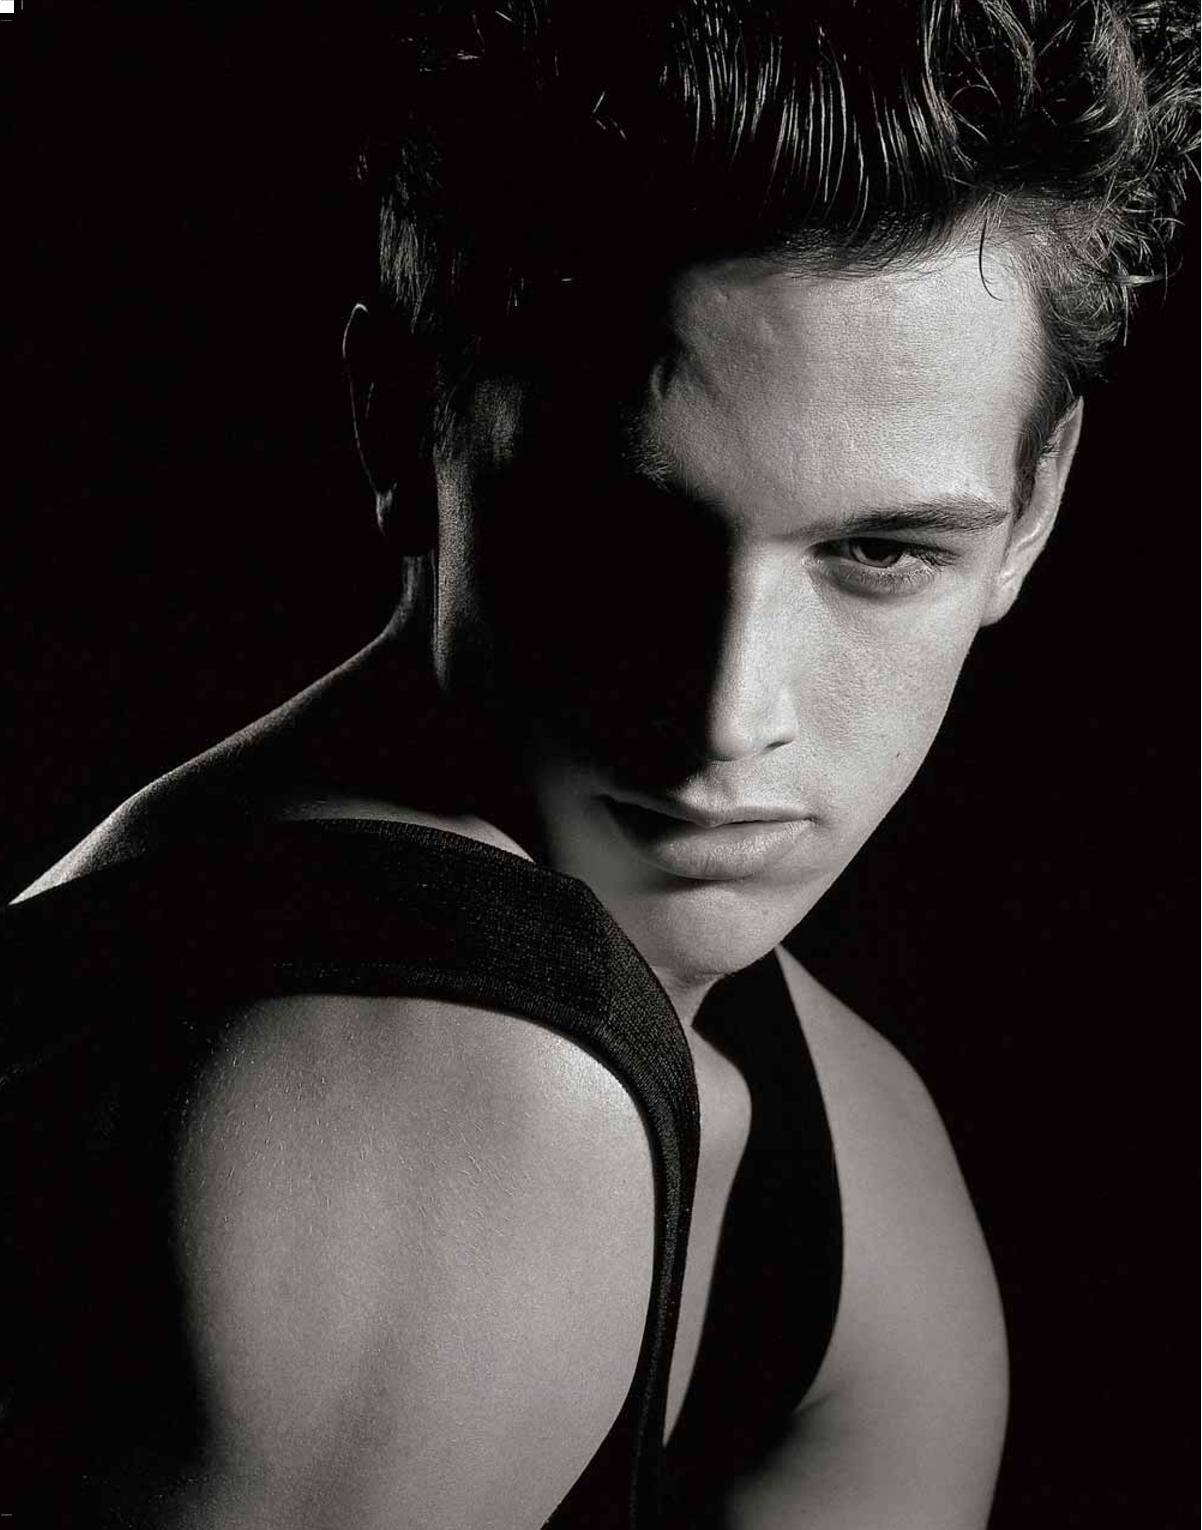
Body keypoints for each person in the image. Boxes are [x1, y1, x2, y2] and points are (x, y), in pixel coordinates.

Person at [2, 3, 1194, 1526]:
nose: (727, 715)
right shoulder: (464, 1084)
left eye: (882, 552)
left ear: (1034, 510)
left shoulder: (853, 1166)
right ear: (396, 425)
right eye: (623, 533)